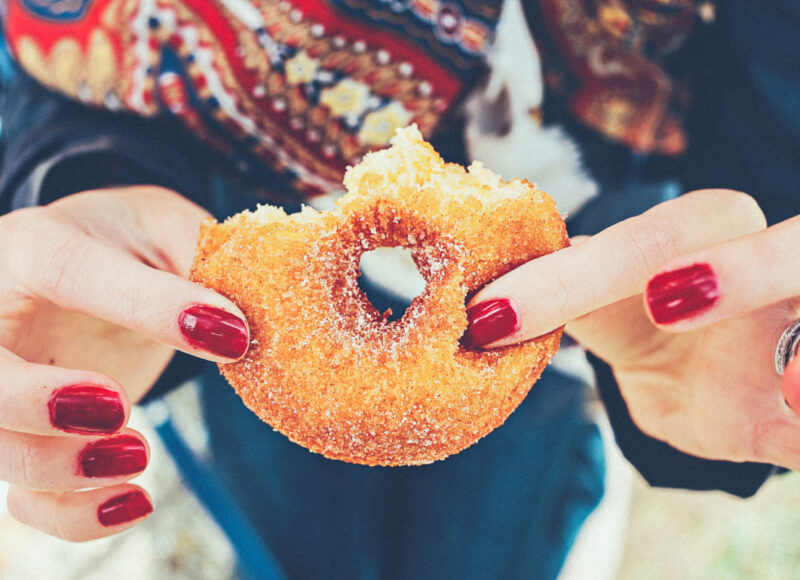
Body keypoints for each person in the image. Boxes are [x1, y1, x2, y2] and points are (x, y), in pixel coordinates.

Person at [0, 0, 797, 578]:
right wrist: (84, 176)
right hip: (260, 326)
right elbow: (47, 47)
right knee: (303, 550)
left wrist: (743, 257)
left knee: (488, 553)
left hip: (569, 322)